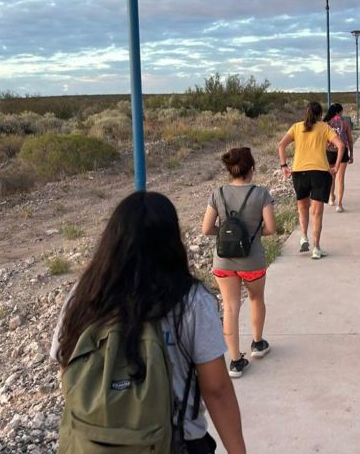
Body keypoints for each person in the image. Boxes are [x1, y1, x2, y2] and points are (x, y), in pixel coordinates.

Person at [50, 191, 246, 454]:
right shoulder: (190, 300)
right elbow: (216, 389)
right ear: (172, 242)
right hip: (175, 442)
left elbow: (67, 368)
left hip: (92, 444)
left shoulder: (85, 294)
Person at [201, 147, 276, 378]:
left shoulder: (217, 193)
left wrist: (227, 235)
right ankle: (257, 344)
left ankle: (234, 361)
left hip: (223, 262)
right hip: (252, 261)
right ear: (251, 168)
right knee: (256, 299)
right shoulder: (261, 194)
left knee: (230, 306)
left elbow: (206, 229)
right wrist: (249, 236)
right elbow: (271, 229)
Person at [277, 101, 345, 260]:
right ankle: (316, 247)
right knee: (317, 212)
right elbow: (341, 145)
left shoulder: (296, 127)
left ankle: (303, 237)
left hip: (299, 171)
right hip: (319, 172)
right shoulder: (324, 127)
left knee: (302, 207)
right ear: (320, 114)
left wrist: (284, 166)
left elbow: (281, 145)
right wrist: (335, 166)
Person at [323, 103, 354, 212]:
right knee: (340, 178)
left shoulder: (326, 123)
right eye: (341, 112)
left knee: (331, 176)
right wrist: (351, 154)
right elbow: (349, 140)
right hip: (343, 151)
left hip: (330, 151)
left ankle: (331, 197)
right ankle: (339, 205)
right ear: (338, 112)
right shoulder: (345, 123)